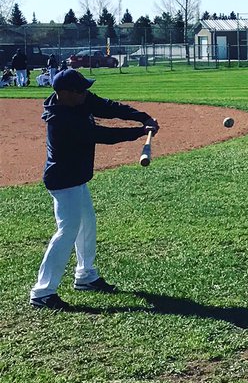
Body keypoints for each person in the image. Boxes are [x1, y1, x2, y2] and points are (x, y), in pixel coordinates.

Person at [29, 69, 159, 310]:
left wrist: (143, 117)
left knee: (87, 223)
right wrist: (140, 133)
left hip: (77, 177)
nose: (85, 95)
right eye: (80, 91)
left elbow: (108, 107)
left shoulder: (78, 100)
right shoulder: (61, 120)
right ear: (64, 93)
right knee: (67, 231)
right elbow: (101, 135)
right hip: (63, 181)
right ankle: (42, 292)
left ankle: (85, 276)